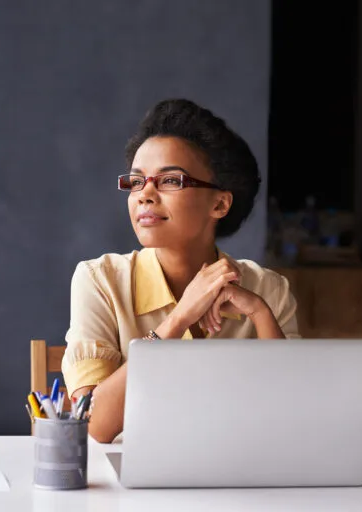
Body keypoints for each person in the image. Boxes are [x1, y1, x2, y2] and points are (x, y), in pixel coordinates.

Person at [61, 99, 300, 443]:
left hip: (241, 481)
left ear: (219, 203)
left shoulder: (268, 289)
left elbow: (293, 415)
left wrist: (260, 313)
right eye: (136, 181)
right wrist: (178, 320)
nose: (145, 194)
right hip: (128, 485)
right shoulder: (100, 280)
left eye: (170, 180)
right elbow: (95, 425)